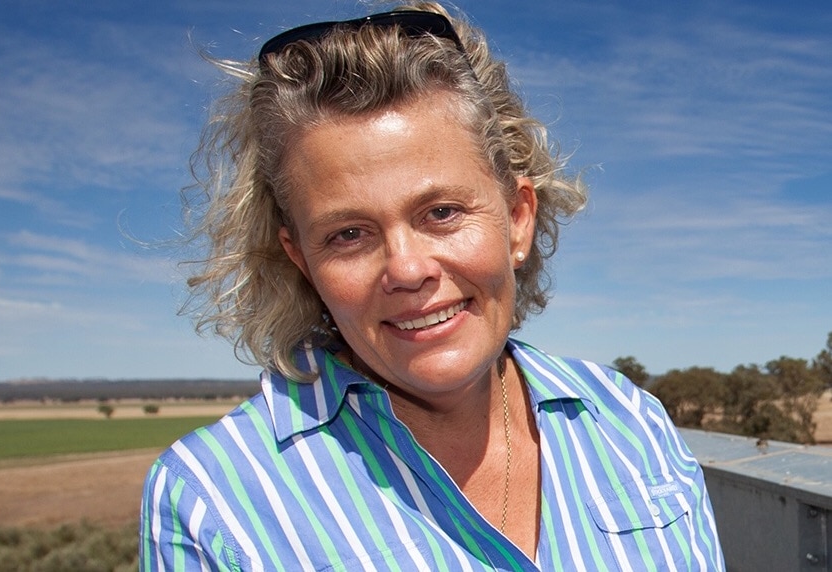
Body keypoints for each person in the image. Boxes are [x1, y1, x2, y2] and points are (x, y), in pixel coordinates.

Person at [140, 2, 725, 570]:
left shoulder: (626, 421)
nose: (407, 269)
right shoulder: (212, 504)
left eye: (441, 212)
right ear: (301, 260)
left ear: (517, 219)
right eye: (348, 234)